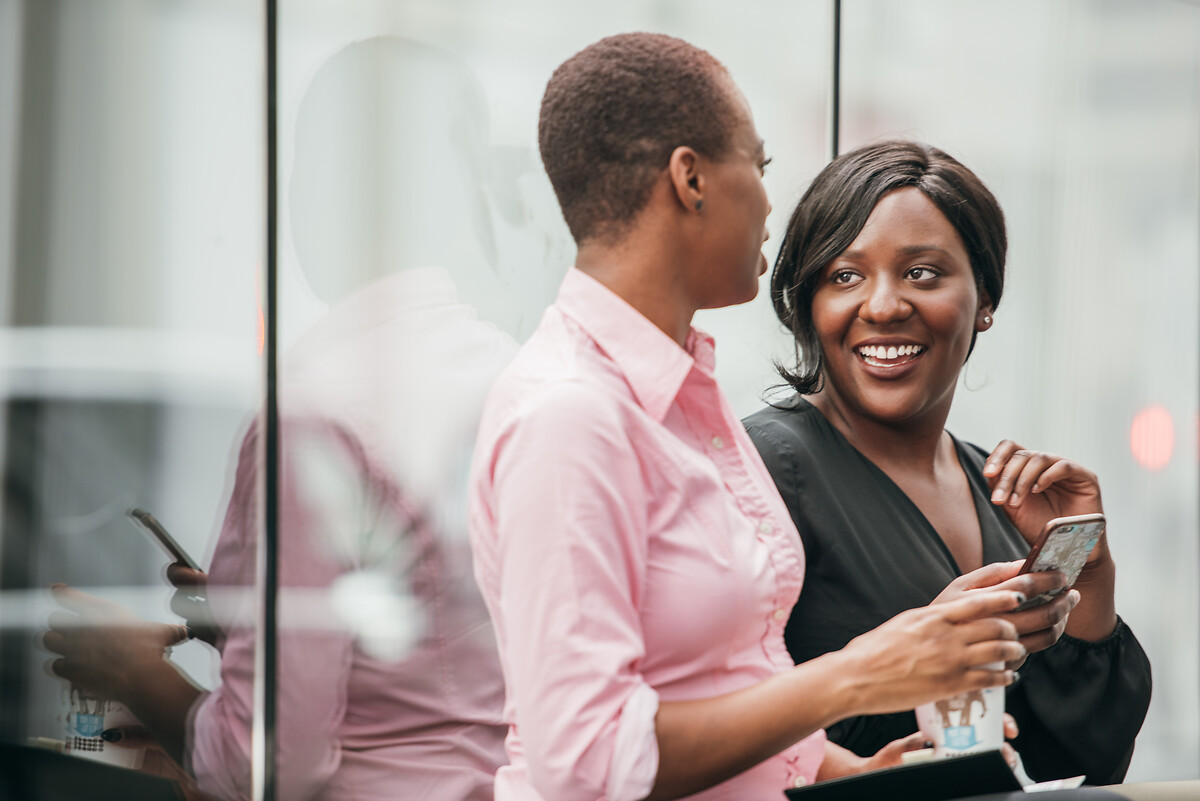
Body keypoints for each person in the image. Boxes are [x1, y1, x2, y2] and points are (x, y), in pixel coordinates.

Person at [467, 34, 1059, 801]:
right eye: (760, 164)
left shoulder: (685, 399)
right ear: (691, 180)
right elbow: (587, 761)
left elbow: (723, 679)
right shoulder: (569, 414)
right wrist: (861, 673)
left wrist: (854, 772)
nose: (772, 203)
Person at [42, 37, 515, 801]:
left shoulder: (315, 410)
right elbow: (440, 647)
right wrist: (255, 620)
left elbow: (269, 761)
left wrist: (130, 670)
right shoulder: (514, 372)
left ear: (322, 189)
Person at [743, 140, 1152, 785]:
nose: (883, 306)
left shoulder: (996, 487)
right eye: (844, 276)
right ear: (807, 301)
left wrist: (1089, 580)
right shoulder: (761, 470)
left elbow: (1081, 765)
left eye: (922, 273)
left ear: (985, 297)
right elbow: (714, 724)